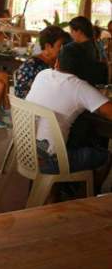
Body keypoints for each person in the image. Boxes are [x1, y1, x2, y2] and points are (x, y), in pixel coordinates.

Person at [26, 43, 112, 178]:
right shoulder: (79, 87)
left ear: (57, 62)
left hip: (26, 150)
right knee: (105, 156)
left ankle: (58, 193)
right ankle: (87, 196)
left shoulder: (43, 74)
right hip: (51, 161)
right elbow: (109, 111)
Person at [14, 25, 67, 99]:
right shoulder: (32, 65)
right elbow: (20, 94)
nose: (62, 49)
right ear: (48, 46)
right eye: (59, 46)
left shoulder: (57, 62)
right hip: (33, 107)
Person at [68, 16, 107, 85]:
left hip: (81, 86)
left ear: (79, 31)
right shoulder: (94, 45)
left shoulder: (74, 48)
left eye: (72, 31)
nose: (71, 34)